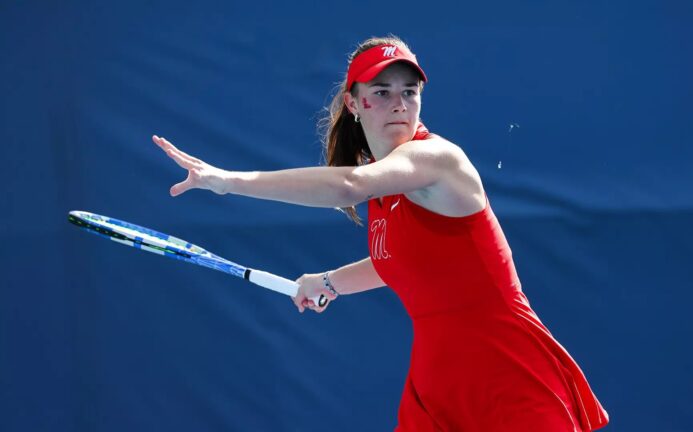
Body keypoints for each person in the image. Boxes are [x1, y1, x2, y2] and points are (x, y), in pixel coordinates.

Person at [153, 35, 609, 431]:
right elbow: (401, 262)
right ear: (354, 103)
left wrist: (229, 181)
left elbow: (346, 184)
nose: (399, 103)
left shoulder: (436, 161)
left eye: (409, 92)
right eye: (382, 90)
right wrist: (329, 281)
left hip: (509, 377)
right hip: (437, 384)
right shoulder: (384, 183)